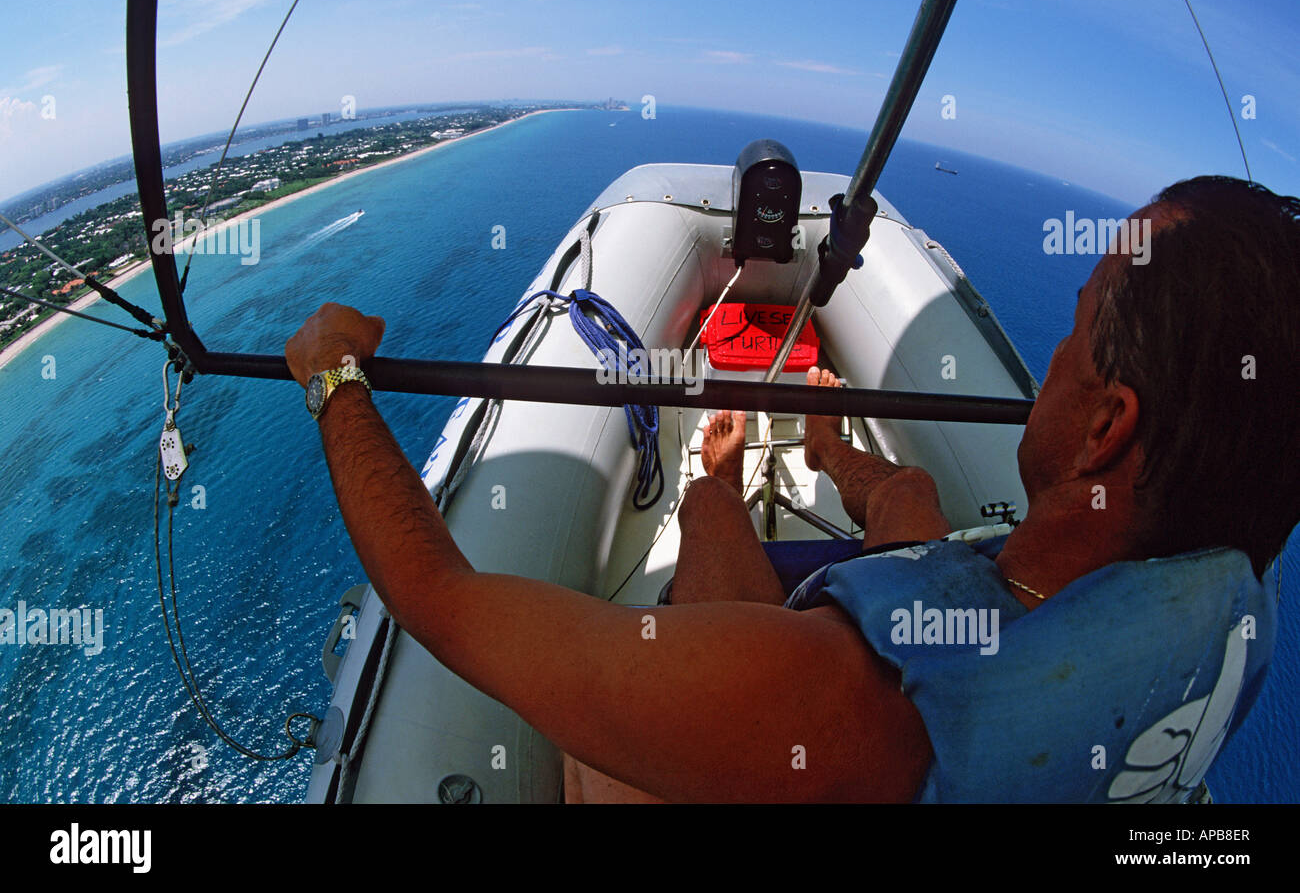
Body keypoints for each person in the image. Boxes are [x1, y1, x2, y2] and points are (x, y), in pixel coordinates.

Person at [286, 175, 1297, 802]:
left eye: (1075, 331)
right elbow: (920, 533)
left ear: (1106, 427)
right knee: (902, 500)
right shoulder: (1214, 619)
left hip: (815, 734)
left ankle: (715, 491)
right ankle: (806, 461)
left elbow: (441, 600)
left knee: (596, 762)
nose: (1059, 347)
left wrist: (334, 376)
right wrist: (837, 457)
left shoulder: (850, 710)